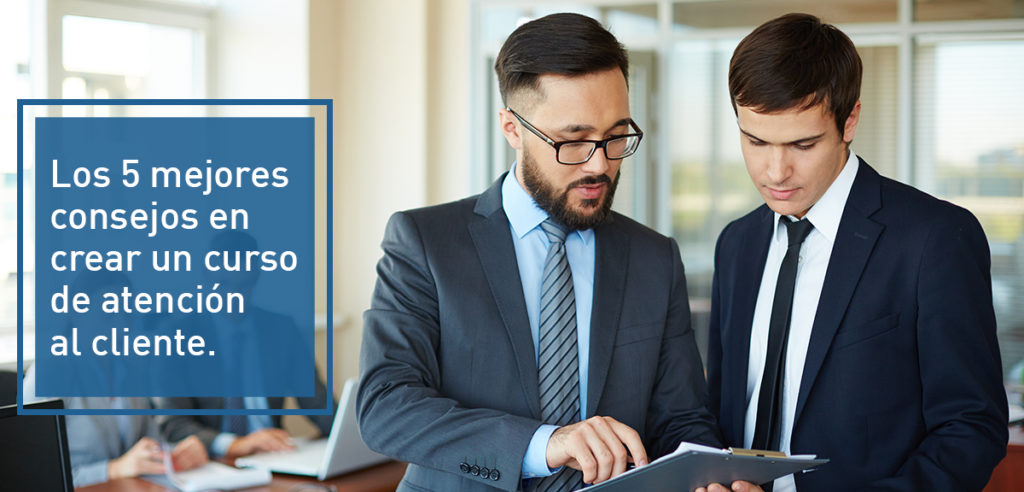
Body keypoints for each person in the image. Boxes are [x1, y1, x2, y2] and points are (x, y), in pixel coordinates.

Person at [357, 13, 758, 492]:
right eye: (572, 141)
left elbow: (682, 421)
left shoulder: (655, 258)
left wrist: (704, 478)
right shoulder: (424, 242)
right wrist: (543, 444)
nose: (599, 164)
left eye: (615, 137)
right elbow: (386, 406)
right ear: (512, 128)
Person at [705, 13, 1008, 491]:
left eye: (802, 144)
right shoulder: (736, 243)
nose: (775, 170)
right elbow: (721, 408)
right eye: (755, 140)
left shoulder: (935, 239)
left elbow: (971, 429)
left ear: (850, 121)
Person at [155, 231, 333, 460]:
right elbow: (173, 423)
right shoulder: (176, 334)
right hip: (212, 461)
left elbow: (318, 403)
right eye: (224, 284)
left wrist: (351, 437)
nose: (233, 296)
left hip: (273, 457)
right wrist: (236, 444)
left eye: (243, 286)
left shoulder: (281, 329)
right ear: (207, 276)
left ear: (256, 277)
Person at [23, 271, 209, 487]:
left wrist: (176, 454)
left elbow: (151, 443)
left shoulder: (132, 370)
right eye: (109, 314)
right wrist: (114, 469)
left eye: (127, 314)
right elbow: (38, 475)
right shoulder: (50, 374)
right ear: (76, 314)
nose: (122, 327)